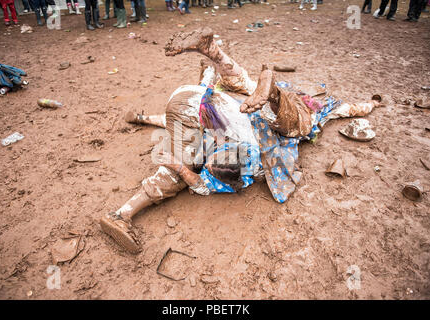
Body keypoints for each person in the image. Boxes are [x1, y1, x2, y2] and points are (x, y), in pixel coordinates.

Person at [99, 28, 382, 253]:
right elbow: (348, 109)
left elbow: (176, 123)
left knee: (239, 90)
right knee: (289, 123)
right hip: (229, 110)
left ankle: (214, 54)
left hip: (201, 101)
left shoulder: (227, 155)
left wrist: (142, 118)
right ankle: (121, 213)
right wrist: (370, 103)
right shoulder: (245, 157)